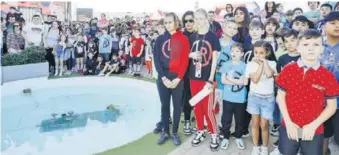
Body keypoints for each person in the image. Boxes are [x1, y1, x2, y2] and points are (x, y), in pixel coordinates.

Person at [276, 29, 339, 155]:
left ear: (322, 49)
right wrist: (288, 122)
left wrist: (313, 125)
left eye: (316, 45)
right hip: (289, 125)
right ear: (298, 48)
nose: (311, 49)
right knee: (287, 152)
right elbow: (280, 97)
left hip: (314, 129)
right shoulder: (288, 70)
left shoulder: (328, 76)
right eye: (306, 45)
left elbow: (332, 106)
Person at [153, 12, 189, 146]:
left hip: (177, 78)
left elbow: (185, 60)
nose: (168, 25)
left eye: (170, 22)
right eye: (166, 22)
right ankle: (165, 131)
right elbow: (156, 60)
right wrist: (163, 77)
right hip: (163, 77)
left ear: (176, 23)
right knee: (165, 105)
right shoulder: (160, 39)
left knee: (177, 106)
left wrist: (178, 79)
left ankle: (174, 132)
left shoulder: (183, 39)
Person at [189, 8, 221, 151]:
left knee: (208, 109)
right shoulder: (192, 36)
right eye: (196, 19)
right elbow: (187, 55)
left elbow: (214, 60)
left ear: (206, 19)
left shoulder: (213, 37)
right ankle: (200, 130)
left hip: (207, 79)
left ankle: (214, 133)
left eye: (201, 18)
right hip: (193, 77)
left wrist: (210, 79)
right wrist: (190, 55)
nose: (198, 21)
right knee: (197, 107)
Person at [245, 41, 277, 155]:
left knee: (264, 125)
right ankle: (255, 146)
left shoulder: (272, 63)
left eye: (261, 53)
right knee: (255, 123)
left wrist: (264, 63)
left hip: (268, 99)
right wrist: (259, 65)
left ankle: (264, 147)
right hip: (254, 97)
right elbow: (255, 79)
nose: (258, 55)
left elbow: (269, 74)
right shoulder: (250, 64)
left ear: (267, 53)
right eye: (256, 52)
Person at [219, 43, 247, 150]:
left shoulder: (244, 66)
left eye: (237, 51)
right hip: (228, 98)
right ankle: (226, 137)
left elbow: (244, 82)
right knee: (226, 119)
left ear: (242, 54)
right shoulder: (226, 64)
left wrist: (229, 79)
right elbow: (222, 80)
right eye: (233, 51)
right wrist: (236, 81)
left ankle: (238, 136)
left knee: (240, 119)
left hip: (240, 99)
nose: (234, 53)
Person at [320, 11, 339, 155]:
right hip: (320, 101)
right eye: (333, 23)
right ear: (324, 26)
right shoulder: (316, 46)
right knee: (322, 132)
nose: (337, 26)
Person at [215, 19, 238, 133]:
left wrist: (222, 69)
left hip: (227, 81)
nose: (232, 30)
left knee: (225, 106)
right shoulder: (216, 42)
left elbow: (236, 64)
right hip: (214, 80)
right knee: (213, 103)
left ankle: (224, 127)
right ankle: (210, 125)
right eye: (230, 27)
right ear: (223, 28)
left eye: (235, 28)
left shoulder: (235, 45)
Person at [181, 10, 196, 135]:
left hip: (200, 72)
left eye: (191, 20)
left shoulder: (202, 34)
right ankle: (187, 121)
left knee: (198, 97)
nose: (188, 23)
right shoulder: (181, 36)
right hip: (186, 72)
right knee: (187, 96)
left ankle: (198, 120)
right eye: (186, 21)